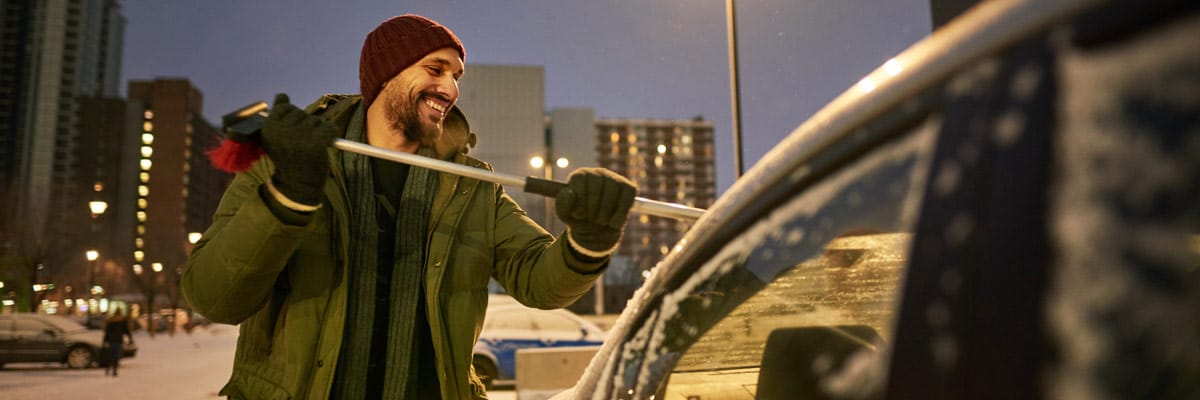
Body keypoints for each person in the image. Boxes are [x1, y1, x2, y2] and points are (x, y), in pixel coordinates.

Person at [182, 14, 637, 400]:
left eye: (456, 76)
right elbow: (213, 296)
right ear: (387, 75)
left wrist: (588, 240)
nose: (450, 88)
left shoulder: (471, 187)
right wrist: (290, 192)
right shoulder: (288, 161)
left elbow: (541, 282)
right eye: (435, 69)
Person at [102, 308, 133, 377]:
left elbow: (107, 332)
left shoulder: (110, 320)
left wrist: (104, 341)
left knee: (110, 355)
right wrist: (131, 340)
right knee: (116, 356)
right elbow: (127, 331)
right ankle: (114, 371)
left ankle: (108, 369)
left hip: (111, 341)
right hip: (118, 340)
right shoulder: (122, 320)